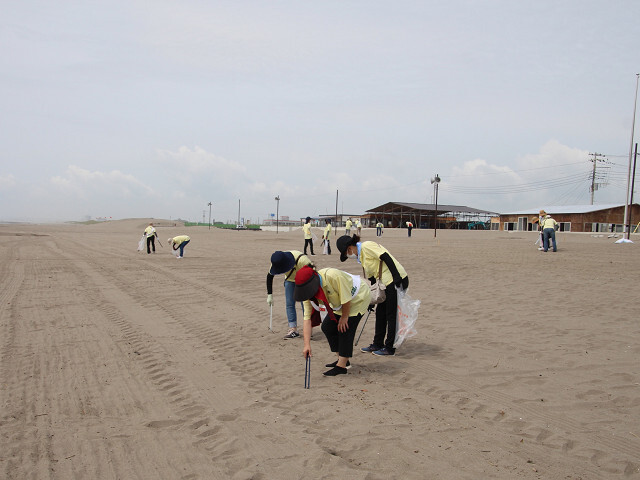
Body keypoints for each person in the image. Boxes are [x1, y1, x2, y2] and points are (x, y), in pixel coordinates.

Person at [337, 234, 408, 356]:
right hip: (383, 284)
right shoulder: (361, 257)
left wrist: (396, 276)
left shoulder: (367, 246)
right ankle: (377, 344)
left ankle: (390, 347)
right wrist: (372, 298)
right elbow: (372, 278)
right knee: (380, 313)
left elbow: (386, 257)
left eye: (347, 253)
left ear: (350, 248)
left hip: (395, 280)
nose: (349, 256)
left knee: (390, 314)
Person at [294, 265, 371, 376]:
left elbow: (346, 297)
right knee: (328, 327)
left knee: (345, 328)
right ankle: (343, 359)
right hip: (340, 303)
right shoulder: (309, 295)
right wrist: (307, 345)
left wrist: (344, 317)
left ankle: (342, 367)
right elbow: (307, 319)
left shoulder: (333, 276)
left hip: (358, 297)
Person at [266, 250, 313, 339]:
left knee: (305, 305)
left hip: (304, 282)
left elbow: (313, 275)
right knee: (289, 304)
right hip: (290, 280)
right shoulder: (277, 261)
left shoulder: (303, 260)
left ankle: (308, 328)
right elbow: (269, 276)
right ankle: (293, 329)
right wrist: (270, 295)